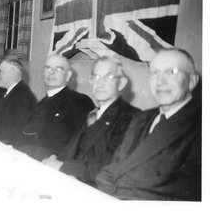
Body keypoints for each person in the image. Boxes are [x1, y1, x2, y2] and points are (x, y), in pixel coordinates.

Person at [95, 48, 201, 201]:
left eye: (171, 72)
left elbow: (185, 195)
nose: (160, 81)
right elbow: (111, 170)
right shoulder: (142, 118)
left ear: (191, 81)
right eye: (155, 73)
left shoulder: (201, 125)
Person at [50, 56, 140, 186]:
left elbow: (113, 168)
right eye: (96, 77)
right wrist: (55, 160)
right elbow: (71, 150)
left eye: (108, 78)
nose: (100, 84)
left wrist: (63, 166)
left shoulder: (131, 117)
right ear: (91, 81)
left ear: (121, 83)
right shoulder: (92, 114)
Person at [20, 54, 95, 161]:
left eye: (58, 69)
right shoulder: (40, 103)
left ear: (68, 75)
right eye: (48, 68)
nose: (51, 72)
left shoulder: (80, 101)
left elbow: (82, 144)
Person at [0, 59, 37, 148]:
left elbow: (14, 132)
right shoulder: (14, 92)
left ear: (12, 72)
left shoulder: (22, 95)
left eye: (0, 72)